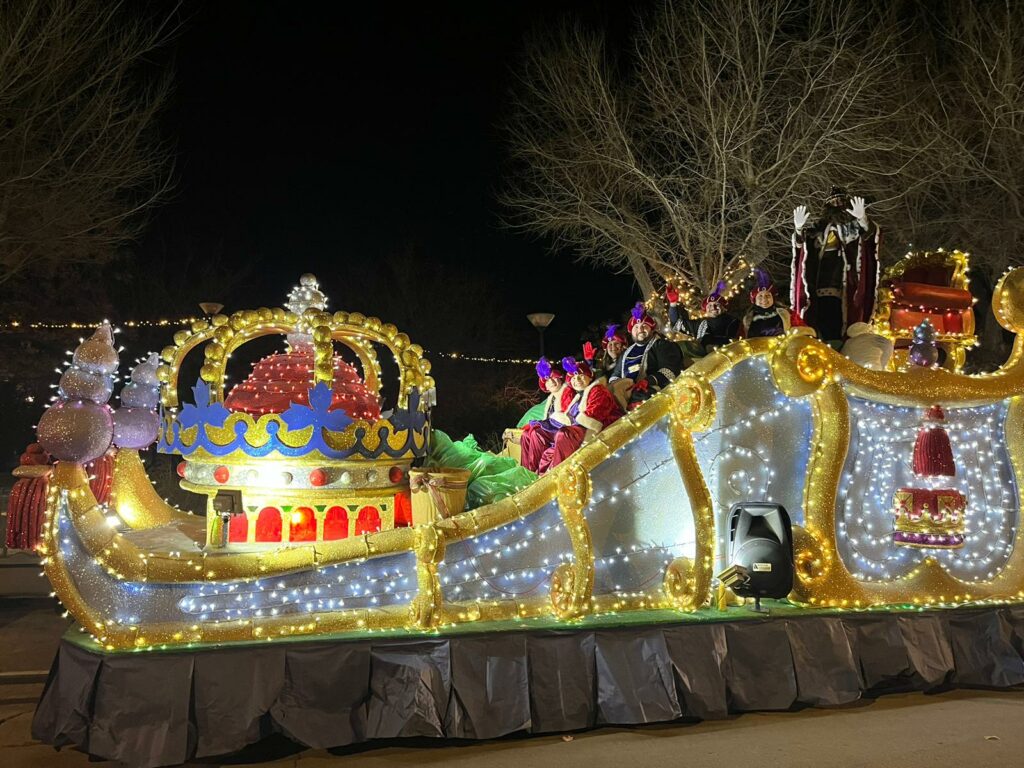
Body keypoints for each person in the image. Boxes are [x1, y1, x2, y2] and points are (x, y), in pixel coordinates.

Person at [791, 186, 879, 342]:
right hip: (819, 284)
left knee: (841, 324)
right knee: (819, 322)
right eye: (833, 202)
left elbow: (869, 240)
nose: (837, 204)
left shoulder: (853, 227)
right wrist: (798, 230)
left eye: (840, 201)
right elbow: (803, 248)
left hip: (845, 285)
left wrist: (863, 220)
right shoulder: (819, 229)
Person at [538, 357, 623, 473]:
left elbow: (592, 418)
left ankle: (557, 476)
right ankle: (541, 480)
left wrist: (566, 429)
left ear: (589, 376)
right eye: (572, 377)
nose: (576, 379)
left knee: (563, 435)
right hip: (579, 430)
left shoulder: (598, 390)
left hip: (597, 431)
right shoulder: (579, 396)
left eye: (580, 375)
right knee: (548, 453)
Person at [609, 302, 684, 409]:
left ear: (651, 328)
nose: (640, 329)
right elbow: (615, 375)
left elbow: (670, 369)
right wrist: (618, 387)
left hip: (654, 390)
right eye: (636, 327)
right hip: (627, 394)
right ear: (631, 332)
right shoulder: (626, 353)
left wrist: (647, 381)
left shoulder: (662, 345)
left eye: (644, 326)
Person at [519, 358, 572, 473]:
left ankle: (534, 472)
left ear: (561, 378)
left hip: (565, 429)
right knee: (525, 435)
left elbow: (565, 418)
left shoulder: (567, 391)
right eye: (548, 380)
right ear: (545, 386)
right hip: (553, 428)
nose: (552, 382)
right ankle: (525, 470)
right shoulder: (551, 397)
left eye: (554, 378)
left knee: (537, 434)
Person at [668, 282, 740, 356]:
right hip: (705, 363)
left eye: (717, 304)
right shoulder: (700, 323)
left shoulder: (734, 321)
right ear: (705, 309)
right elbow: (676, 324)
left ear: (723, 308)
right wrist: (673, 303)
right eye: (710, 305)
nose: (713, 307)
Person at [742, 269, 792, 337]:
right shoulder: (747, 319)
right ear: (754, 300)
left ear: (773, 298)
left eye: (768, 296)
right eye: (760, 296)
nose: (764, 299)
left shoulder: (786, 314)